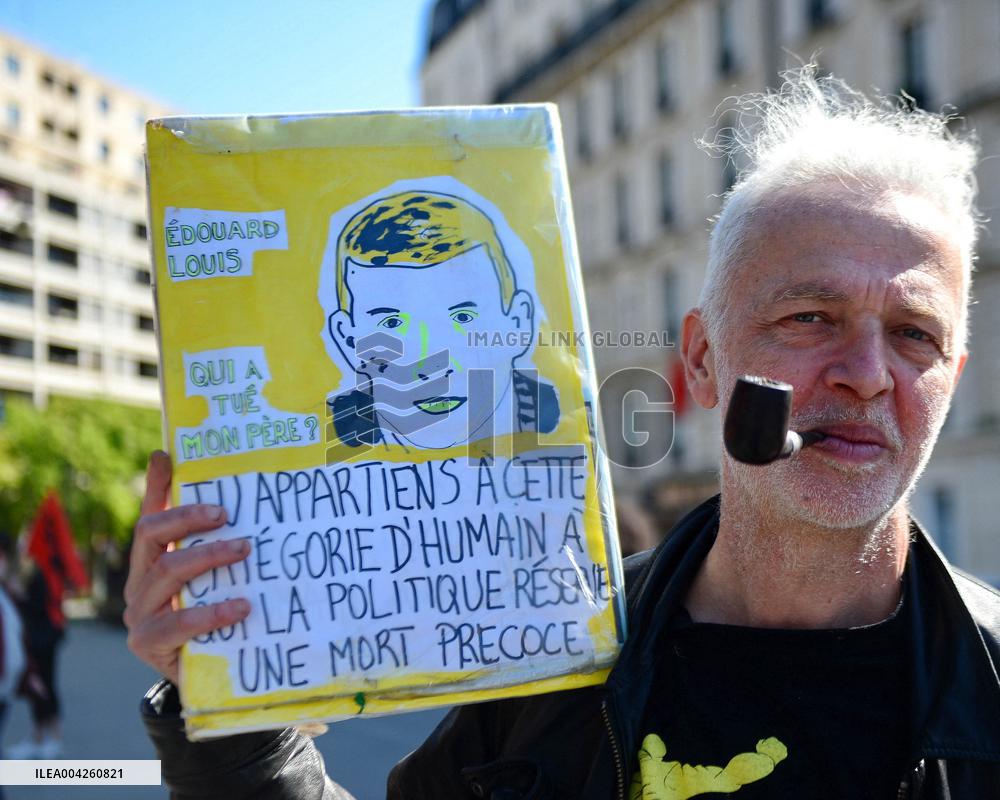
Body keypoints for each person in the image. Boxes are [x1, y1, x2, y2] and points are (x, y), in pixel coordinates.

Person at [126, 69, 1000, 798]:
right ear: (700, 360)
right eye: (810, 317)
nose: (868, 372)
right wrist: (232, 716)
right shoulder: (559, 647)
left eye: (916, 334)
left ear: (951, 381)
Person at [321, 186, 559, 450]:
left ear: (518, 323)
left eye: (464, 317)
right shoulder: (316, 447)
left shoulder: (566, 429)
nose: (431, 364)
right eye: (391, 324)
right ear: (347, 338)